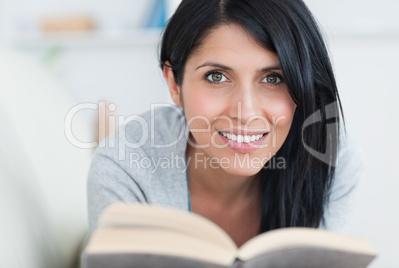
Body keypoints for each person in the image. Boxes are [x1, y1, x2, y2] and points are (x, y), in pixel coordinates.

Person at [87, 0, 361, 247]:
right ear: (174, 83)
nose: (245, 112)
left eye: (274, 78)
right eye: (216, 77)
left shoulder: (329, 159)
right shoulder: (125, 169)